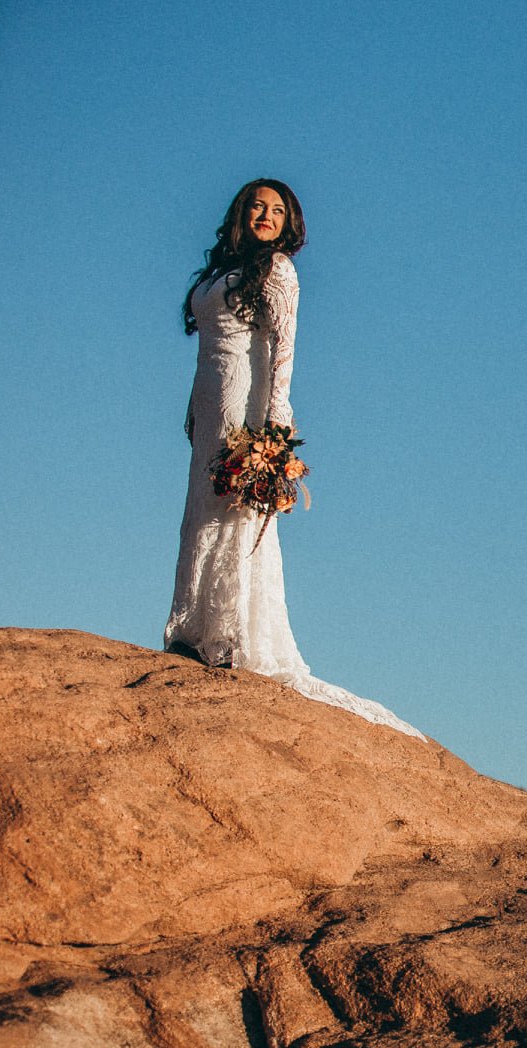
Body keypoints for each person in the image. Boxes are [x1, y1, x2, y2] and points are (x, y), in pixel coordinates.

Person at [165, 179, 420, 737]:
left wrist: (276, 425)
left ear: (288, 224)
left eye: (277, 210)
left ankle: (227, 636)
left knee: (235, 507)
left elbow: (284, 348)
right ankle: (193, 627)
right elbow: (208, 348)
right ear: (240, 212)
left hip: (249, 402)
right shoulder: (218, 273)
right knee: (199, 510)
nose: (265, 215)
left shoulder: (277, 270)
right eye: (257, 206)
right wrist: (191, 407)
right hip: (211, 402)